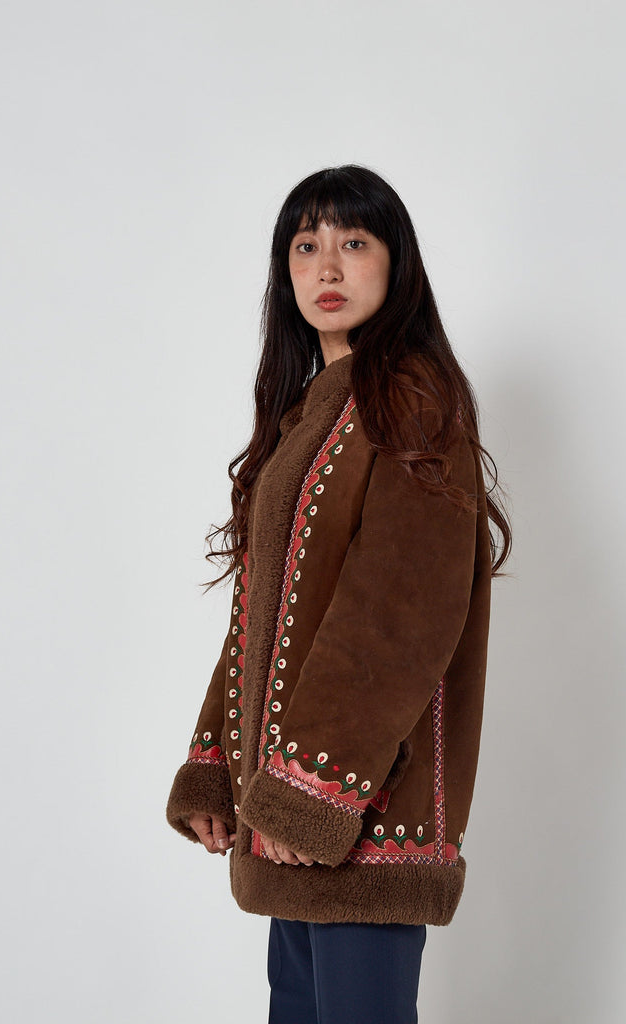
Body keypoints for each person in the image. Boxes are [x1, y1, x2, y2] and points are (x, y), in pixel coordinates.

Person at [166, 164, 511, 1024]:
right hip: (291, 819)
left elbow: (399, 617)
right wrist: (217, 768)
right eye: (305, 244)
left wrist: (312, 788)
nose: (326, 266)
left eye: (354, 242)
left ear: (397, 264)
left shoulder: (412, 403)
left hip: (362, 813)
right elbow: (261, 616)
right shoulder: (309, 417)